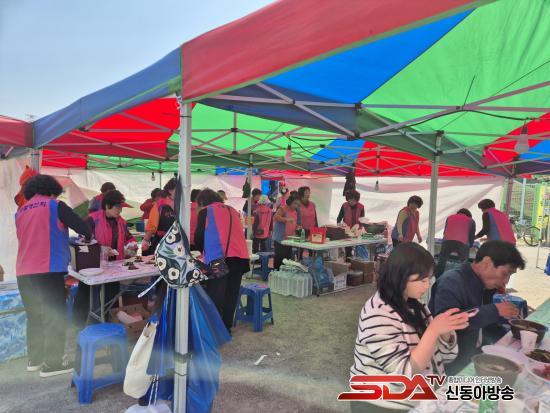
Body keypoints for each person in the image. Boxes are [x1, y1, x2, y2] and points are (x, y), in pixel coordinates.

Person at [350, 243, 469, 412]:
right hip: (382, 404)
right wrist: (433, 331)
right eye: (422, 280)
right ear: (400, 276)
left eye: (429, 279)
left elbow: (447, 357)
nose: (427, 285)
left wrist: (446, 333)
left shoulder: (416, 306)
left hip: (422, 399)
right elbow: (404, 377)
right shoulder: (377, 313)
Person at [15, 174, 91, 377]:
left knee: (34, 316)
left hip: (23, 271)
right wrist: (87, 236)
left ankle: (35, 360)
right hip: (47, 268)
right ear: (51, 191)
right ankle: (53, 364)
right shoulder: (55, 205)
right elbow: (83, 227)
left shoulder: (21, 211)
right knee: (54, 315)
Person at [429, 241, 525, 375]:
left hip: (476, 354)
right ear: (486, 263)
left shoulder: (485, 285)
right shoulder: (451, 281)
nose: (506, 281)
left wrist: (512, 334)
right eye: (505, 274)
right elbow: (448, 322)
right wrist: (495, 310)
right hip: (451, 365)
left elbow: (486, 324)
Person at [73, 190, 136, 328]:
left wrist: (131, 245)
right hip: (92, 265)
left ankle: (108, 323)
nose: (120, 210)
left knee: (112, 295)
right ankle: (78, 325)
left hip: (114, 266)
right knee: (85, 292)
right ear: (107, 206)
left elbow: (129, 237)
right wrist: (99, 248)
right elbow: (82, 240)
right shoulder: (92, 220)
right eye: (117, 207)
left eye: (121, 207)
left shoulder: (121, 222)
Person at [194, 188, 249, 334]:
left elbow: (198, 236)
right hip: (239, 257)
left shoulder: (206, 211)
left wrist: (201, 251)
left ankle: (214, 329)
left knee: (216, 293)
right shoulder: (233, 210)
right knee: (231, 293)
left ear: (202, 202)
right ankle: (226, 327)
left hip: (218, 258)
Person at [436, 208, 476, 278]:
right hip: (462, 242)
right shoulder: (471, 220)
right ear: (469, 215)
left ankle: (438, 276)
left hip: (447, 240)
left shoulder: (449, 217)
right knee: (464, 262)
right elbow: (471, 236)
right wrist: (470, 245)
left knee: (442, 259)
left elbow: (445, 231)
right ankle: (463, 278)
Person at [142, 178, 177, 256]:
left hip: (177, 244)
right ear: (170, 190)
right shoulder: (159, 205)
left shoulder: (182, 205)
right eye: (178, 190)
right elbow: (151, 225)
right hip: (162, 243)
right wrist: (145, 241)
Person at [272, 194, 301, 269]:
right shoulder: (283, 208)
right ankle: (277, 272)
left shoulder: (295, 211)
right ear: (290, 202)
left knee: (287, 258)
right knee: (279, 258)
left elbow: (294, 222)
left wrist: (297, 227)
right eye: (294, 203)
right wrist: (286, 219)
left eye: (297, 204)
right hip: (280, 238)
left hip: (289, 239)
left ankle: (285, 273)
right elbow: (276, 217)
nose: (296, 205)